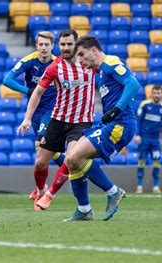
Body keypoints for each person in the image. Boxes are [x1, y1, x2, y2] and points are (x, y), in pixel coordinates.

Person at [17, 29, 97, 211]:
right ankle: (40, 189)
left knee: (71, 158)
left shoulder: (89, 64)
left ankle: (49, 195)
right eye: (63, 44)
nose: (66, 47)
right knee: (39, 163)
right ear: (59, 46)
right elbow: (37, 92)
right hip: (58, 120)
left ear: (76, 45)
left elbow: (109, 70)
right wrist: (27, 118)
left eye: (69, 44)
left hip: (81, 122)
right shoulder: (55, 67)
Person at [64, 35, 141, 221]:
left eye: (82, 54)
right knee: (70, 159)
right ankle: (84, 210)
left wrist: (116, 109)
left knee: (75, 156)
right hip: (110, 123)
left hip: (121, 124)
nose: (80, 60)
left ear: (94, 50)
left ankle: (113, 192)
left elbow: (133, 84)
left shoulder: (111, 62)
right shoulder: (101, 72)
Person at [3, 31, 66, 208]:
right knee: (44, 153)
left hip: (51, 111)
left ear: (52, 46)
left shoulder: (58, 63)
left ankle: (41, 192)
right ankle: (71, 165)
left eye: (47, 45)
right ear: (37, 45)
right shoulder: (29, 60)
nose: (44, 48)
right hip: (34, 111)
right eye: (41, 44)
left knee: (41, 149)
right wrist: (28, 91)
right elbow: (7, 80)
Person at [135, 85, 162, 194]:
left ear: (161, 94)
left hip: (155, 140)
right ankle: (139, 186)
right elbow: (138, 121)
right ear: (151, 94)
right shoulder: (144, 105)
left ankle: (155, 187)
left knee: (156, 162)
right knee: (141, 161)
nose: (156, 95)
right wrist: (137, 134)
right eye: (154, 93)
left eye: (158, 93)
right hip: (144, 138)